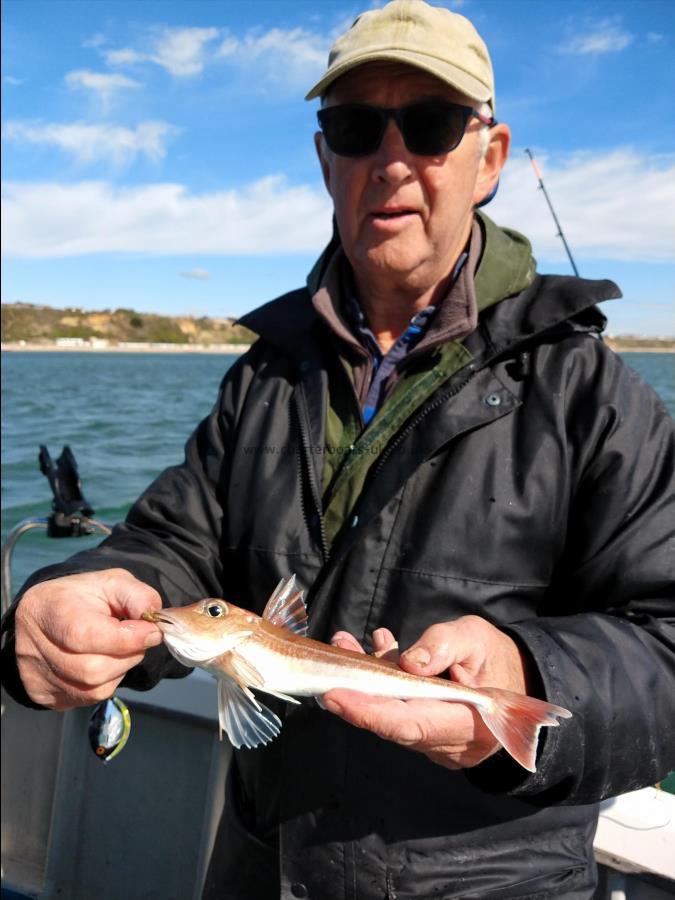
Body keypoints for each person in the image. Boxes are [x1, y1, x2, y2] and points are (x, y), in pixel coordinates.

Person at [2, 1, 674, 897]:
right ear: (325, 157)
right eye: (355, 127)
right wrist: (70, 597)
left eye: (430, 125)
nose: (390, 160)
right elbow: (174, 543)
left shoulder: (591, 393)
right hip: (258, 863)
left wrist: (532, 674)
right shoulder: (266, 374)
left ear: (491, 157)